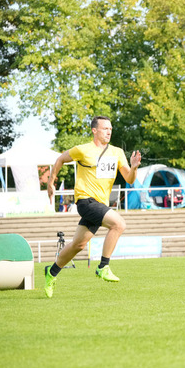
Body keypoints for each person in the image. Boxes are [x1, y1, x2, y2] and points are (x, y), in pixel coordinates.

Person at [44, 116, 142, 298]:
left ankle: (51, 272)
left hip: (100, 205)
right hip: (85, 201)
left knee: (78, 245)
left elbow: (129, 179)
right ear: (94, 130)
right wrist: (51, 182)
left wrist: (134, 167)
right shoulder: (83, 150)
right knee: (119, 224)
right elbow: (60, 160)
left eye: (110, 129)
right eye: (105, 128)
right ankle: (103, 266)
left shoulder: (117, 152)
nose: (109, 132)